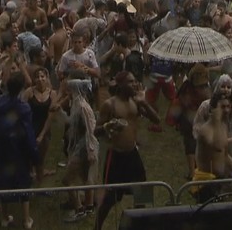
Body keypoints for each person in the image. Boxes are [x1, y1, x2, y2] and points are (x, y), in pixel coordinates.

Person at [94, 71, 160, 230]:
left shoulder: (136, 102)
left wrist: (143, 103)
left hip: (132, 153)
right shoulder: (110, 104)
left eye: (134, 81)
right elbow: (96, 131)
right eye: (130, 82)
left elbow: (157, 120)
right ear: (121, 84)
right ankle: (97, 227)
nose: (134, 84)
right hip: (116, 155)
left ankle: (138, 225)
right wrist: (107, 127)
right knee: (111, 198)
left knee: (141, 193)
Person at [0, 72, 38, 230]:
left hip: (0, 149)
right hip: (18, 151)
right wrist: (34, 156)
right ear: (22, 87)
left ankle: (4, 217)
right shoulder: (23, 107)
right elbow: (28, 133)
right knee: (23, 183)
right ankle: (26, 219)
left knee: (2, 181)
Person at [191, 91, 232, 203]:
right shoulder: (205, 130)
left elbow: (224, 154)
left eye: (229, 106)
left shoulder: (223, 126)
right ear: (213, 109)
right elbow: (217, 146)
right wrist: (217, 120)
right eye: (222, 107)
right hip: (205, 185)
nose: (227, 110)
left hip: (219, 182)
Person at [60, 79, 99, 223]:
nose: (67, 93)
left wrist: (91, 149)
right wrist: (60, 112)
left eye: (69, 90)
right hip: (79, 145)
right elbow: (71, 122)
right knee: (85, 177)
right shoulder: (76, 104)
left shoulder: (83, 106)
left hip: (85, 147)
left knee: (67, 180)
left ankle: (79, 209)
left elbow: (91, 128)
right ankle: (89, 206)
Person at [22, 66, 59, 185]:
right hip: (30, 127)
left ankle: (40, 184)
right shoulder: (29, 92)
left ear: (47, 78)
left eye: (42, 76)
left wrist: (42, 135)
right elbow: (22, 110)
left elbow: (51, 116)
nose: (40, 79)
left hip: (45, 128)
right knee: (28, 157)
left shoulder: (53, 94)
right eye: (37, 77)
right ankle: (27, 181)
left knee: (41, 159)